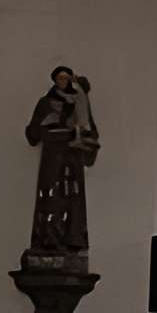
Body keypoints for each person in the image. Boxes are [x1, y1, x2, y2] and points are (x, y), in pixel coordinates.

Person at [25, 65, 100, 256]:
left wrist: (81, 133)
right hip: (53, 156)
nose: (64, 82)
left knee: (72, 197)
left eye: (67, 78)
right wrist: (46, 125)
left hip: (72, 156)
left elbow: (90, 131)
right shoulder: (46, 102)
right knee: (51, 196)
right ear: (55, 80)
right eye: (60, 78)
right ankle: (49, 238)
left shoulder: (79, 102)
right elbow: (32, 133)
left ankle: (72, 238)